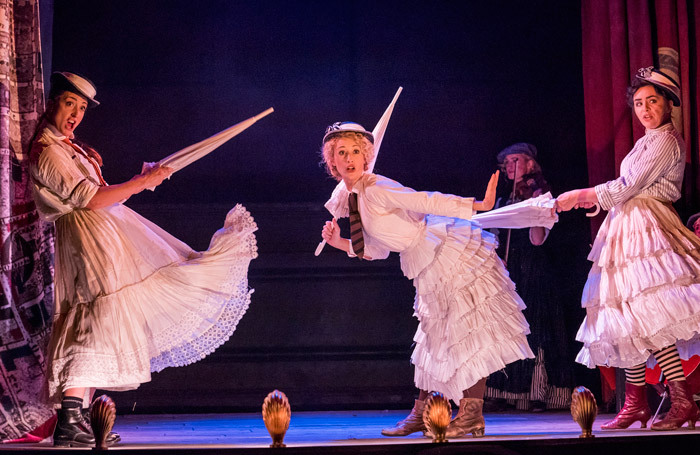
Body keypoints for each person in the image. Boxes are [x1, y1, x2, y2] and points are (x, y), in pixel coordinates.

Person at [29, 72, 258, 446]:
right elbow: (90, 198)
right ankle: (69, 419)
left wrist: (141, 179)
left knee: (100, 319)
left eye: (82, 108)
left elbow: (102, 195)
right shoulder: (48, 149)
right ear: (52, 102)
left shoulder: (71, 148)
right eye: (69, 103)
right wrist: (142, 183)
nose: (75, 114)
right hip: (86, 240)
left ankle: (77, 419)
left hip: (105, 234)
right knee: (93, 316)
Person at [319, 122, 535, 438]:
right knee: (434, 337)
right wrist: (339, 242)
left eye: (356, 151)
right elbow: (377, 249)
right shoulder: (356, 199)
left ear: (367, 157)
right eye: (342, 153)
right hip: (425, 262)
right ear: (332, 162)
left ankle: (471, 414)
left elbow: (423, 200)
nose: (350, 158)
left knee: (466, 331)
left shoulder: (375, 187)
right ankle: (423, 413)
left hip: (447, 251)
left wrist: (476, 205)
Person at [556, 67, 700, 430]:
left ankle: (682, 401)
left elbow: (628, 185)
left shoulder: (667, 139)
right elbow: (626, 187)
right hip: (627, 224)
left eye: (653, 101)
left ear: (669, 104)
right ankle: (635, 402)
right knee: (625, 316)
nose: (645, 109)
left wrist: (583, 195)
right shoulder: (646, 140)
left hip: (648, 226)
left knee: (648, 316)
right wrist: (602, 202)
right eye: (638, 103)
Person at [484, 143, 576, 411]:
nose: (510, 167)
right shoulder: (503, 201)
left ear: (531, 165)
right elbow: (495, 238)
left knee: (536, 329)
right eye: (507, 164)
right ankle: (506, 392)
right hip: (510, 271)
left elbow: (537, 240)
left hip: (535, 271)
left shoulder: (541, 195)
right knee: (509, 330)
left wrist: (535, 204)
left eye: (516, 161)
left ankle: (538, 392)